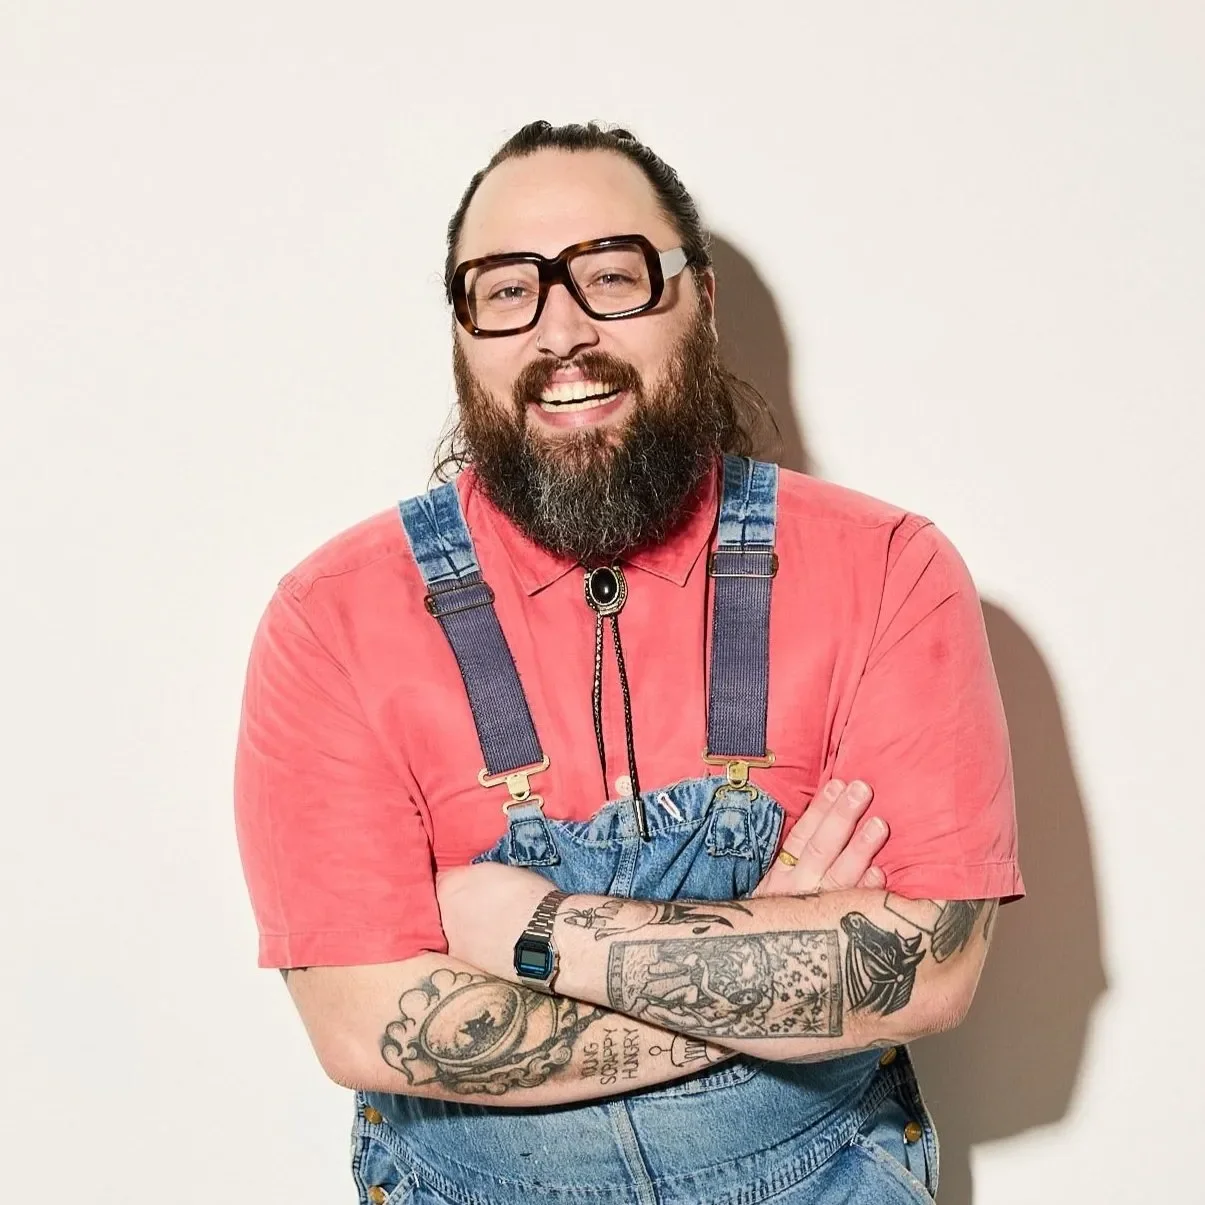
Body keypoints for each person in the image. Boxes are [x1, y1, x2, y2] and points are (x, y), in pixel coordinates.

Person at [234, 120, 1024, 1205]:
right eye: (506, 290)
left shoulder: (889, 569)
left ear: (697, 298)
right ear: (463, 330)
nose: (562, 331)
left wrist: (535, 929)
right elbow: (364, 1024)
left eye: (613, 276)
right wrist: (778, 958)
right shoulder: (329, 618)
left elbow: (926, 967)